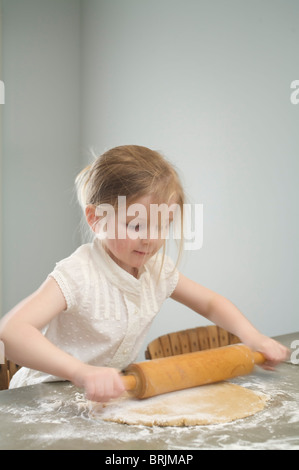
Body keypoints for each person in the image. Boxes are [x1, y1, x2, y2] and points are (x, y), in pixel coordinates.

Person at [0, 145, 289, 402]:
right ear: (96, 219)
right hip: (43, 399)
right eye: (136, 226)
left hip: (105, 395)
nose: (149, 239)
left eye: (162, 226)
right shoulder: (79, 273)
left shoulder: (156, 270)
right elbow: (12, 332)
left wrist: (254, 338)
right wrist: (80, 372)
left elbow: (210, 303)